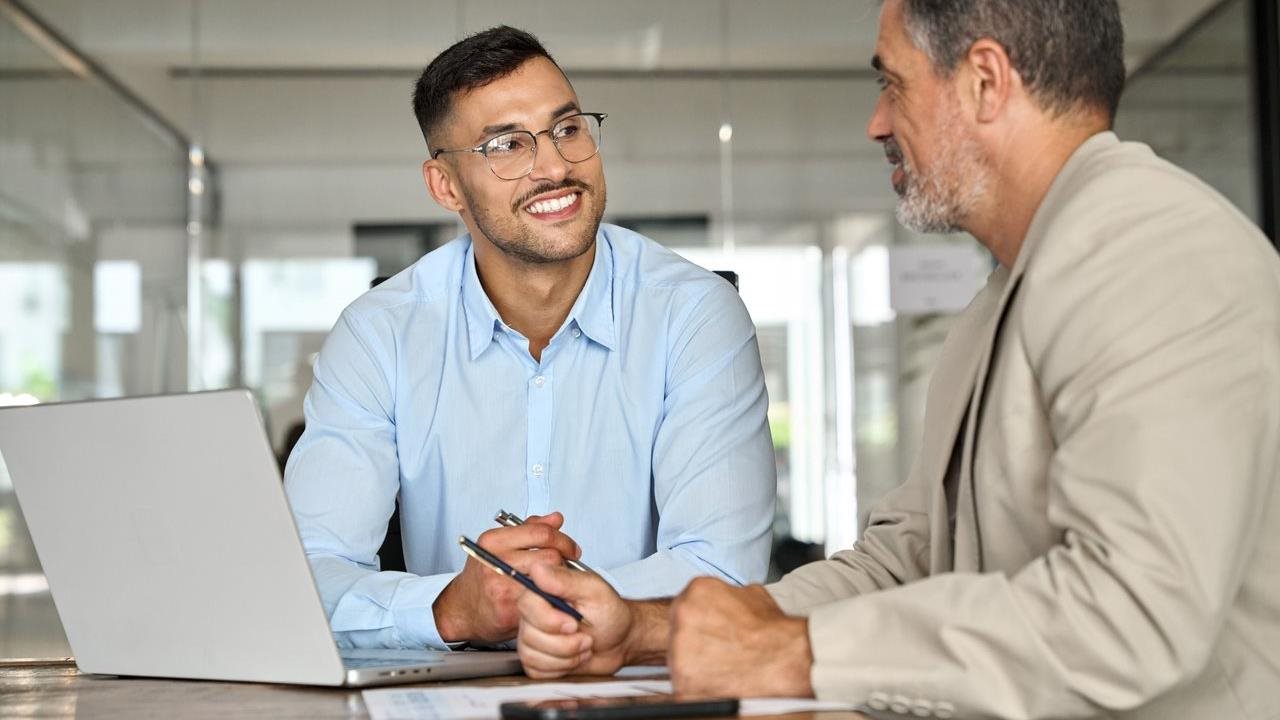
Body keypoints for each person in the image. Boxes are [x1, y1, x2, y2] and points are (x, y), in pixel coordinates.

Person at [513, 1, 1280, 717]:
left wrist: (798, 653)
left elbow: (1131, 613)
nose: (877, 122)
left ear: (985, 81)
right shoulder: (1009, 294)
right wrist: (650, 628)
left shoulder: (1153, 253)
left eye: (892, 83)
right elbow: (909, 559)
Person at [283, 26, 776, 651]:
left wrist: (544, 604)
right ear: (446, 186)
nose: (554, 166)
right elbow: (308, 576)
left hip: (643, 694)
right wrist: (448, 609)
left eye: (568, 130)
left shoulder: (694, 313)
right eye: (506, 145)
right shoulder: (381, 332)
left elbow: (725, 571)